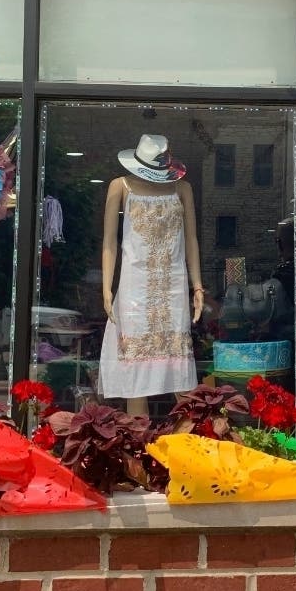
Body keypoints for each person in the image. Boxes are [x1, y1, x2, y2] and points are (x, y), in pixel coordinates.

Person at [100, 134, 204, 418]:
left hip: (173, 288)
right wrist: (107, 288)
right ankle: (138, 451)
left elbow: (191, 239)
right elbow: (109, 242)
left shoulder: (182, 188)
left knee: (181, 378)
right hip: (134, 289)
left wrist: (198, 286)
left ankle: (192, 447)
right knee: (137, 379)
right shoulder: (119, 186)